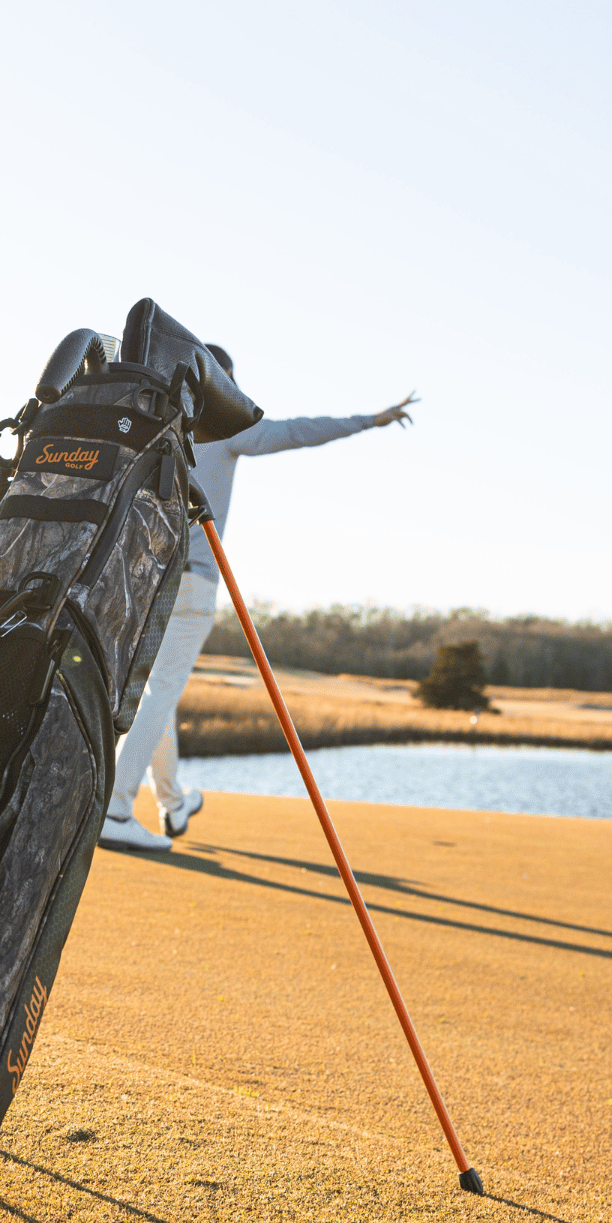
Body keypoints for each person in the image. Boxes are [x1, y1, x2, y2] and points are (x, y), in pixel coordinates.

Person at [98, 346, 417, 853]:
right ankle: (114, 807)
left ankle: (172, 801)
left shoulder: (154, 424)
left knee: (158, 691)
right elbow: (296, 431)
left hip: (143, 578)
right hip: (193, 580)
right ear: (219, 382)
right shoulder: (227, 428)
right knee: (160, 691)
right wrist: (370, 421)